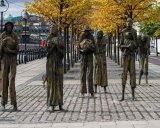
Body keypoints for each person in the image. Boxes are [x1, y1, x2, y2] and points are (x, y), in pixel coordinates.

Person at [0, 22, 19, 111]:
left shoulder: (15, 35)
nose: (9, 27)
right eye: (7, 26)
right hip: (5, 60)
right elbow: (0, 49)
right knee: (4, 81)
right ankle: (3, 103)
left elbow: (17, 50)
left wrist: (9, 51)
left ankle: (14, 103)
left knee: (12, 80)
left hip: (12, 60)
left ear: (12, 27)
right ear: (5, 27)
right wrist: (2, 45)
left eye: (10, 26)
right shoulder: (2, 35)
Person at [45, 25, 65, 111]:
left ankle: (60, 103)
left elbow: (63, 52)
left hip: (58, 63)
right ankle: (52, 103)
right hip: (50, 63)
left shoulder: (60, 38)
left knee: (59, 82)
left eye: (54, 28)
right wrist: (52, 47)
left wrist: (57, 46)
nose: (53, 30)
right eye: (51, 28)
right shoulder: (48, 38)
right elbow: (47, 53)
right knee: (51, 82)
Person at [120, 18, 137, 101]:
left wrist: (133, 46)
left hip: (132, 55)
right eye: (127, 22)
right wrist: (126, 47)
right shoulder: (123, 31)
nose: (128, 23)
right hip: (125, 56)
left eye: (130, 22)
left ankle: (133, 95)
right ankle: (122, 95)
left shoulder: (134, 31)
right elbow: (120, 45)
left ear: (132, 23)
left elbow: (137, 44)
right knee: (124, 74)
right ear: (126, 22)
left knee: (133, 73)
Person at [79, 25, 95, 97]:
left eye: (87, 31)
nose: (86, 33)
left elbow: (94, 47)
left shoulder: (91, 37)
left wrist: (90, 48)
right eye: (85, 31)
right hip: (83, 56)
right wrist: (82, 50)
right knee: (83, 74)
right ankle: (82, 91)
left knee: (90, 74)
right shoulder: (81, 36)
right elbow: (78, 47)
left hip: (90, 56)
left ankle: (91, 91)